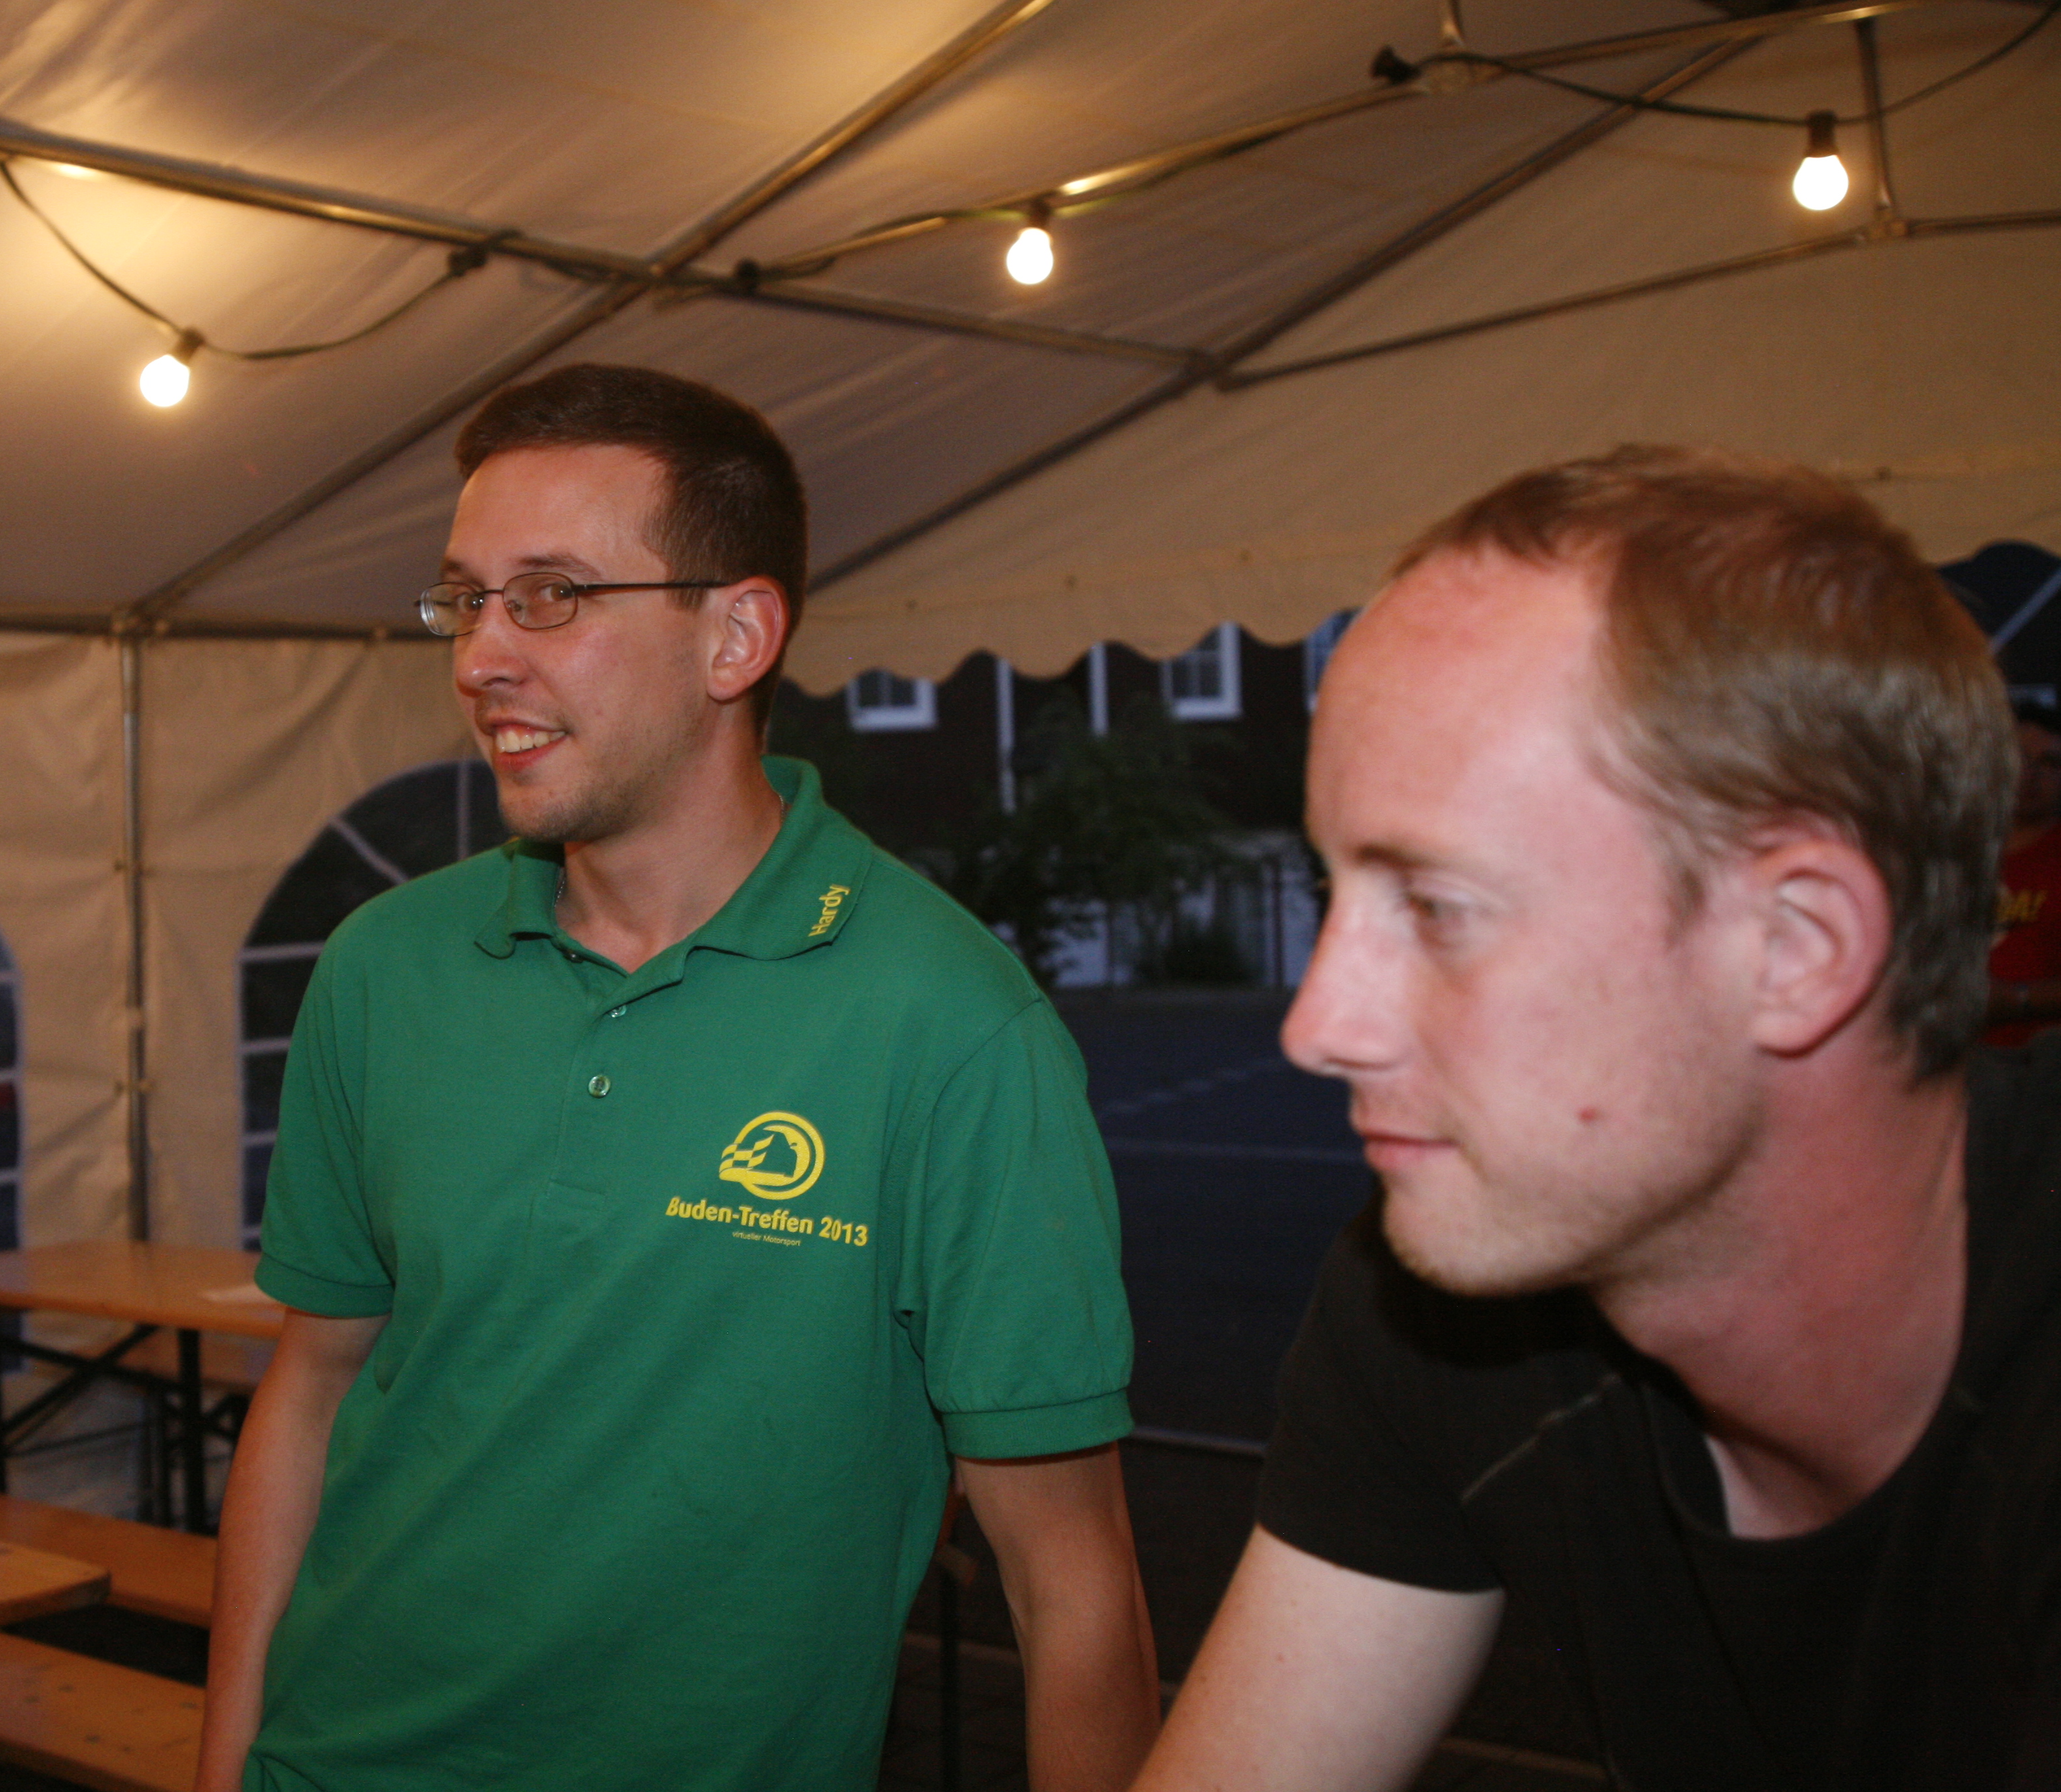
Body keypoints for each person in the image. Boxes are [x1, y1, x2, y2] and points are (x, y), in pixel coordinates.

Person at [197, 364, 1158, 1792]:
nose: (479, 657)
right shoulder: (383, 966)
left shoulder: (952, 1025)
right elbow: (312, 1390)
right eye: (464, 600)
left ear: (736, 635)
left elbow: (1072, 1584)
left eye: (550, 595)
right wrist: (226, 1765)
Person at [1132, 446, 2061, 1792]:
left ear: (1794, 948)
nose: (1316, 1024)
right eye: (1335, 893)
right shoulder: (1442, 1295)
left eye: (1436, 907)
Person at [1985, 707, 2061, 1045]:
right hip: (1953, 1056)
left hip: (2044, 1055)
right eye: (2020, 759)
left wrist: (2019, 1001)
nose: (2031, 774)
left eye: (2050, 763)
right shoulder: (1955, 854)